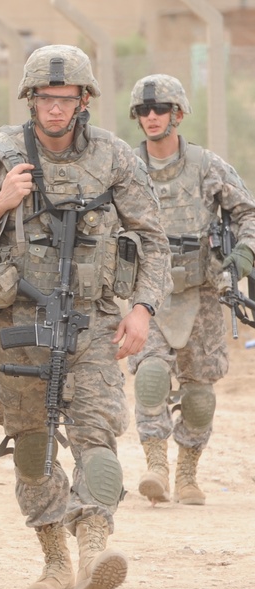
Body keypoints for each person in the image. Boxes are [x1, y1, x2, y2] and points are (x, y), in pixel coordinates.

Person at [0, 45, 171, 589]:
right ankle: (55, 560)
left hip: (92, 322)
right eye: (46, 98)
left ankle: (94, 550)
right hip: (17, 327)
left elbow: (155, 238)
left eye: (66, 99)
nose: (55, 109)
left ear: (84, 100)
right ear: (31, 99)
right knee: (33, 449)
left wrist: (143, 310)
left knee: (97, 435)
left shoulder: (115, 158)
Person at [127, 74, 255, 507]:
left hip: (201, 295)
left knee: (199, 395)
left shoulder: (208, 167)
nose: (151, 117)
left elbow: (248, 216)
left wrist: (243, 255)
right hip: (149, 292)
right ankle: (156, 465)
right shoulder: (125, 168)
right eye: (143, 110)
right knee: (150, 376)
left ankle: (187, 473)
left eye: (159, 109)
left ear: (177, 114)